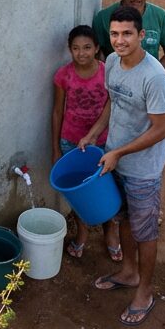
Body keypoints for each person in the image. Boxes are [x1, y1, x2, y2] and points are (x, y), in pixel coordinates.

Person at [82, 6, 165, 326]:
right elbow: (113, 102)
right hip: (114, 156)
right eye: (115, 34)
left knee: (145, 231)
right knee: (122, 218)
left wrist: (119, 152)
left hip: (143, 169)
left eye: (127, 34)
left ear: (141, 36)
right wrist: (94, 134)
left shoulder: (155, 77)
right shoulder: (111, 64)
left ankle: (145, 292)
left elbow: (161, 129)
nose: (120, 40)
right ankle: (129, 272)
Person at [51, 25, 121, 261]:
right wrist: (55, 148)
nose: (82, 53)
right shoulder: (64, 75)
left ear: (97, 48)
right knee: (79, 194)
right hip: (71, 142)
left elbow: (111, 106)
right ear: (69, 50)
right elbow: (57, 112)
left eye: (87, 48)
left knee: (106, 190)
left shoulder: (107, 72)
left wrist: (93, 133)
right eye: (76, 48)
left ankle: (111, 233)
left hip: (102, 142)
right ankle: (81, 234)